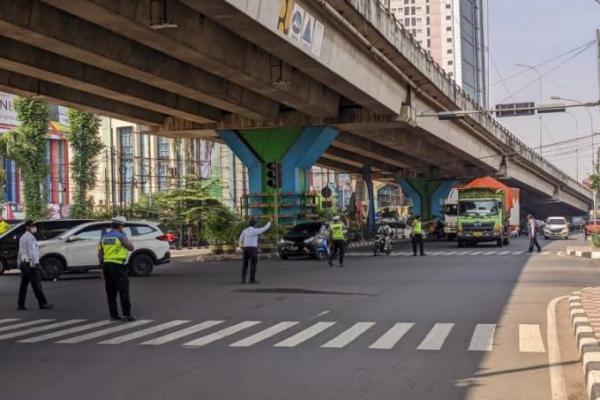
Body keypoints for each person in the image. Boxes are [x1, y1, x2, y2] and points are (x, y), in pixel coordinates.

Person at [98, 216, 135, 321]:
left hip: (106, 266)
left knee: (110, 292)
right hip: (118, 265)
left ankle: (113, 315)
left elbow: (100, 253)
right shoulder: (120, 236)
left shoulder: (104, 237)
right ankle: (126, 315)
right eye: (122, 225)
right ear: (120, 226)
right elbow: (131, 248)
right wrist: (129, 240)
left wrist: (101, 268)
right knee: (123, 291)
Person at [17, 220, 53, 310]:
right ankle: (43, 303)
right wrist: (35, 264)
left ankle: (21, 304)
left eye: (34, 226)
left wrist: (19, 262)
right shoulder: (30, 238)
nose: (34, 228)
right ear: (27, 227)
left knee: (23, 285)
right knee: (36, 284)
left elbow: (20, 251)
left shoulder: (23, 237)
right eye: (32, 226)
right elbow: (32, 252)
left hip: (24, 262)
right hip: (30, 263)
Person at [238, 219, 272, 284]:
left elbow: (240, 238)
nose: (257, 225)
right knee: (253, 264)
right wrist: (269, 222)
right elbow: (265, 228)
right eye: (256, 224)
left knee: (245, 264)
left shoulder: (244, 230)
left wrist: (241, 246)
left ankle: (243, 279)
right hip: (252, 249)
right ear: (254, 224)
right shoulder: (255, 231)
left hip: (245, 248)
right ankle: (252, 279)